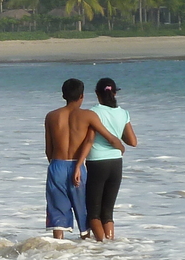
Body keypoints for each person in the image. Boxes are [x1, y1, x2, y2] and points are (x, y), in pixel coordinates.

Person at [43, 78, 124, 240]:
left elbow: (49, 150)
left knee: (57, 213)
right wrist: (121, 147)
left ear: (63, 95)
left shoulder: (51, 116)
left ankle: (58, 249)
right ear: (82, 96)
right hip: (77, 167)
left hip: (56, 165)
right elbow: (109, 137)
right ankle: (86, 251)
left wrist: (57, 166)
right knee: (83, 212)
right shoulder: (88, 115)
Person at [85, 77, 137, 241]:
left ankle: (102, 247)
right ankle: (111, 246)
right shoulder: (123, 113)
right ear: (114, 93)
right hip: (116, 162)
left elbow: (86, 139)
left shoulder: (93, 112)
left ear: (96, 93)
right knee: (107, 211)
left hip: (96, 162)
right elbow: (132, 141)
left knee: (93, 211)